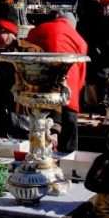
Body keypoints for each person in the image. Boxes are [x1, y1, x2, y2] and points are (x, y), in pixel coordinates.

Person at [26, 11, 88, 152]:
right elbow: (81, 75)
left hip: (39, 90)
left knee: (38, 134)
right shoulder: (79, 39)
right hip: (68, 94)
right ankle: (68, 168)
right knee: (68, 145)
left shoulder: (39, 29)